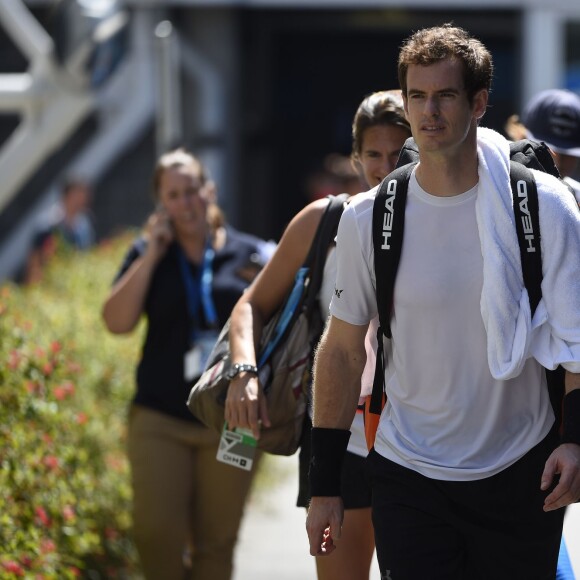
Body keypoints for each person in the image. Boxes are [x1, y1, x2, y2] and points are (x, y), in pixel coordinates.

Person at [306, 23, 580, 579]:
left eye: (446, 96)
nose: (429, 112)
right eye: (417, 96)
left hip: (520, 469)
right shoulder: (370, 218)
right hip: (408, 472)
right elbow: (340, 352)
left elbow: (578, 341)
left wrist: (575, 441)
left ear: (479, 103)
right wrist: (324, 485)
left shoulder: (543, 206)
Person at [224, 90, 411, 580]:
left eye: (397, 153)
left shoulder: (439, 220)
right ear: (355, 157)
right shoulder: (323, 220)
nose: (384, 166)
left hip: (419, 435)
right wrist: (244, 371)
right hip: (337, 432)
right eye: (373, 154)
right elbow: (251, 305)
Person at [101, 148, 274, 580]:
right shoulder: (148, 254)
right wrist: (153, 253)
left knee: (217, 544)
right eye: (173, 195)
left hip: (234, 424)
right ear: (162, 204)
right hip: (160, 417)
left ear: (208, 191)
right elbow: (116, 322)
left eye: (192, 190)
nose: (185, 202)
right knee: (155, 534)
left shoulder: (250, 255)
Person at [505, 88, 580, 205]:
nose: (558, 162)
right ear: (521, 137)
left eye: (568, 154)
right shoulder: (495, 186)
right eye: (546, 150)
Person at [24, 177, 95, 284]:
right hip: (50, 283)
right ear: (68, 195)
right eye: (79, 193)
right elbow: (35, 261)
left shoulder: (84, 225)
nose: (84, 198)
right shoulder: (47, 224)